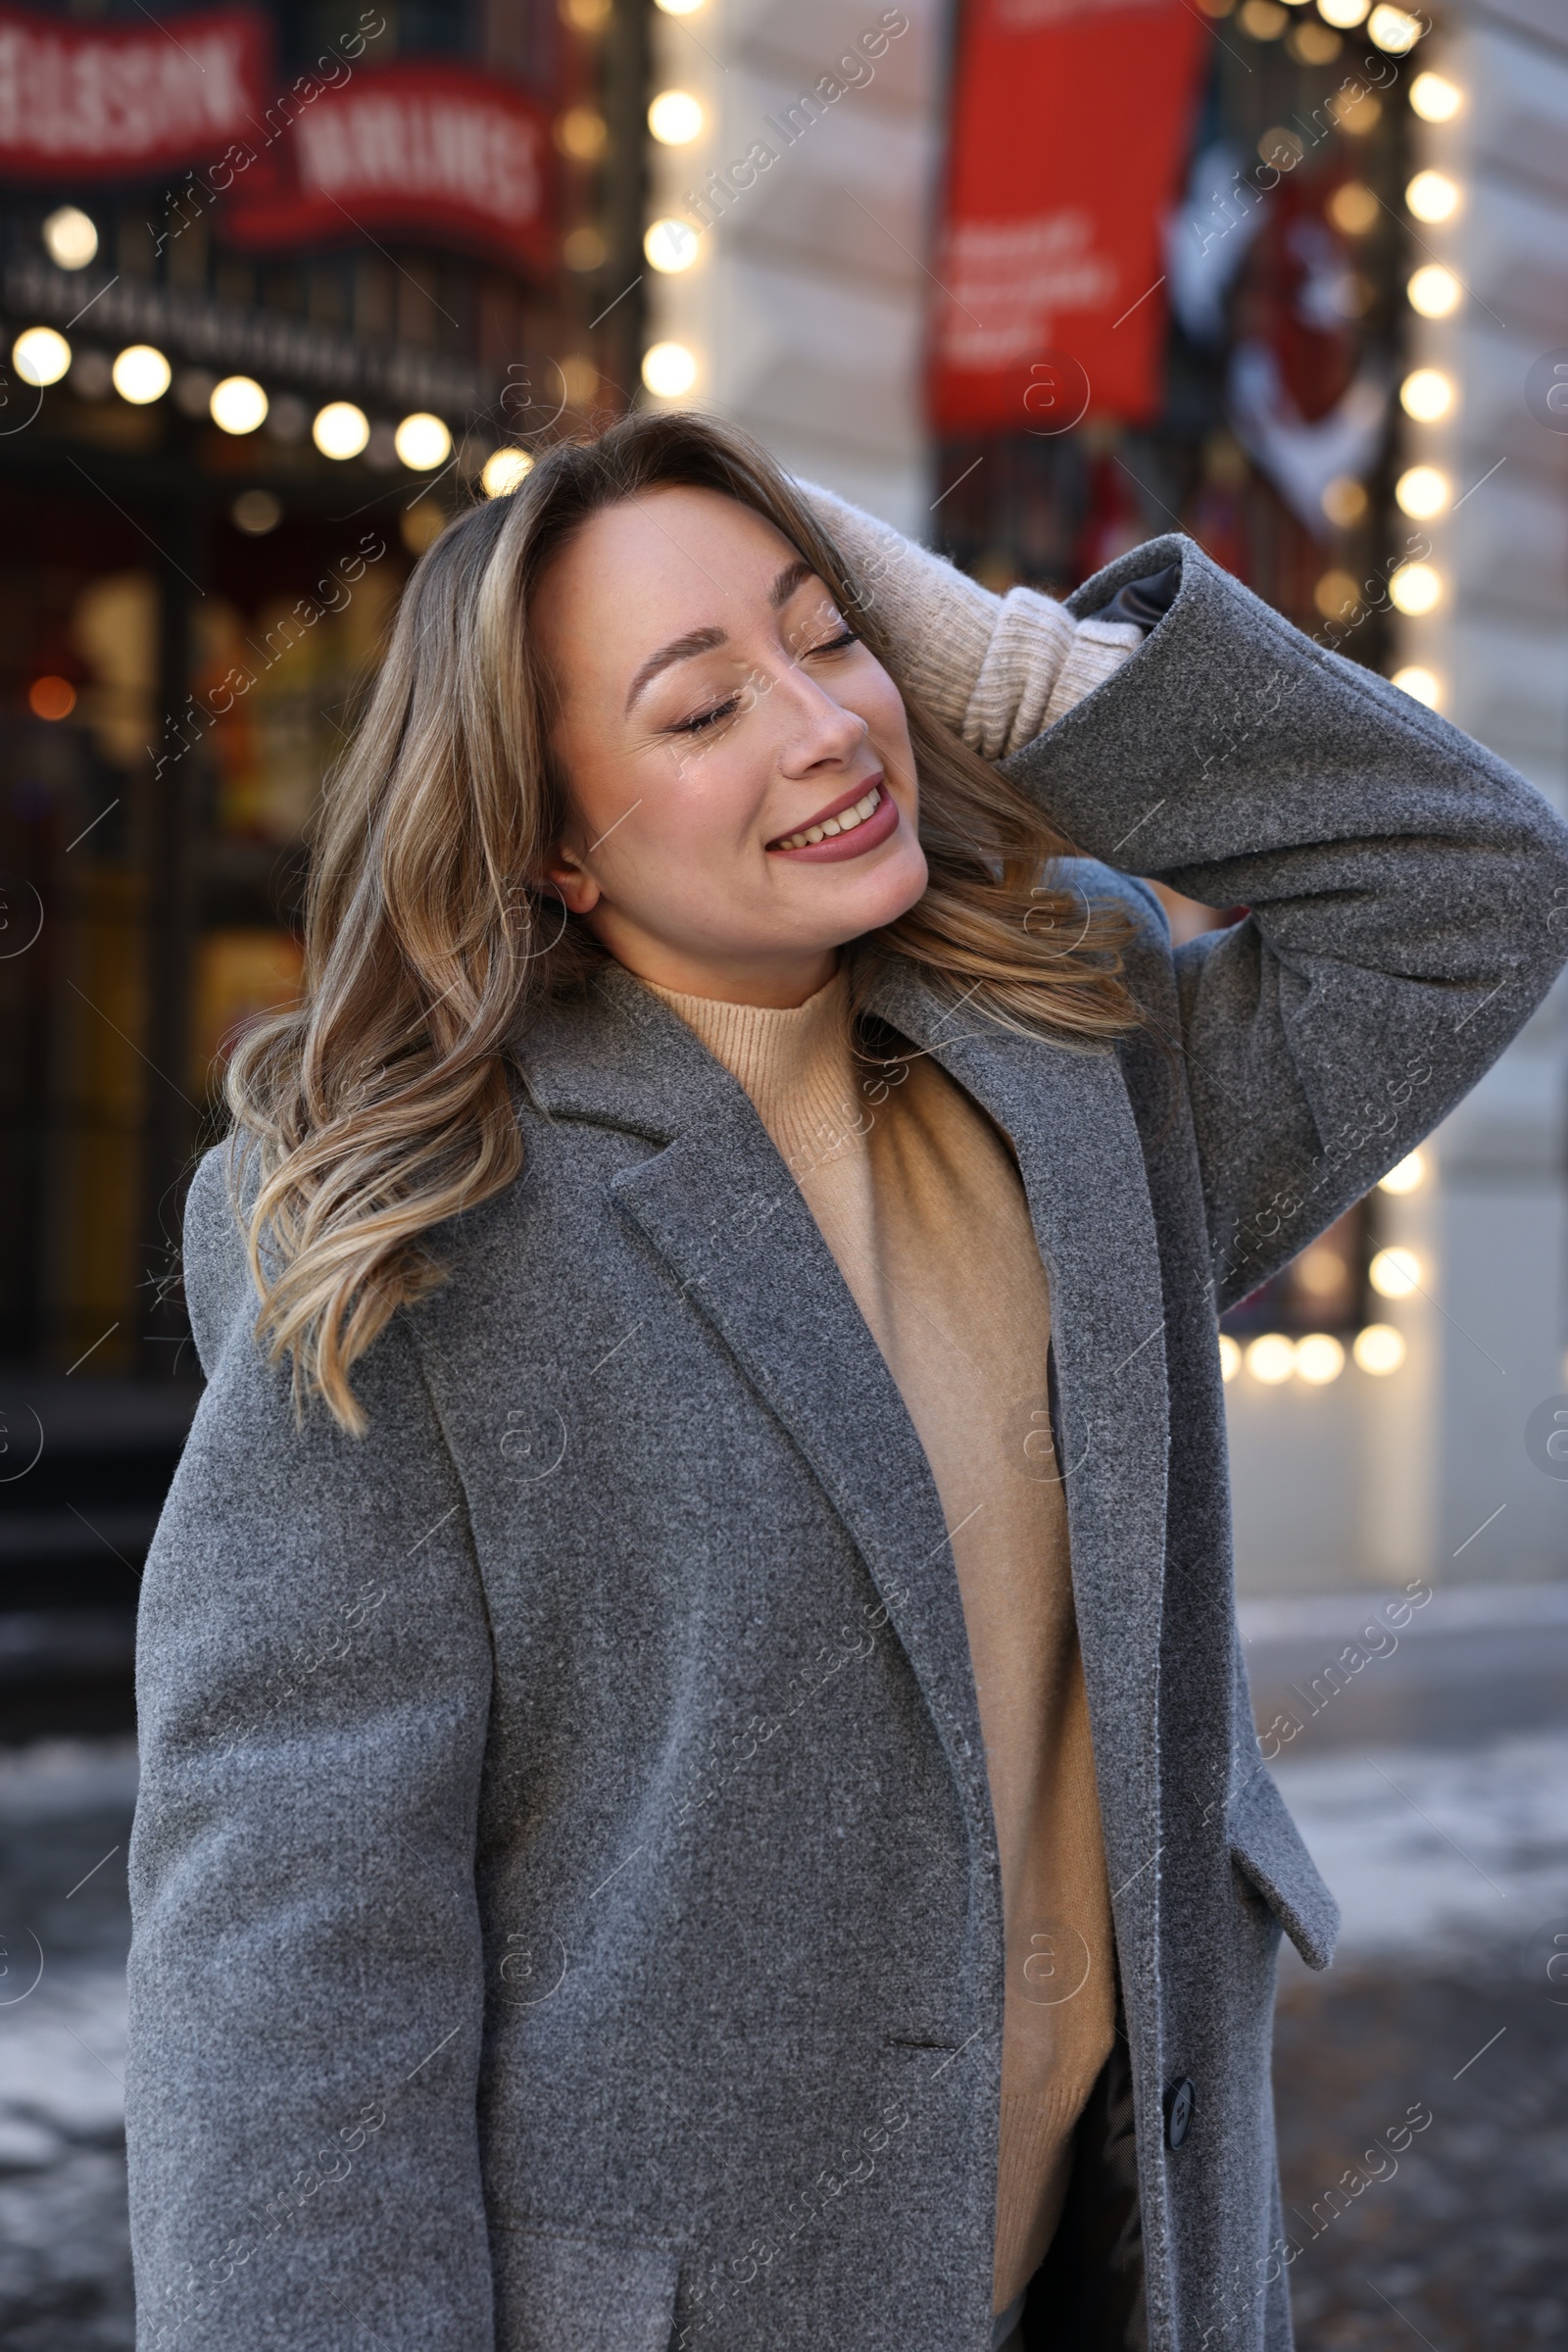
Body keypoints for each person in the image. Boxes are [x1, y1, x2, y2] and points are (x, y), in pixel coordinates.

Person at [124, 411, 1568, 2352]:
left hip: (1110, 2270)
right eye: (698, 707)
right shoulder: (415, 1233)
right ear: (552, 836)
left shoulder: (1078, 1053)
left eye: (829, 639)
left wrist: (994, 662)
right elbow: (291, 1980)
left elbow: (1468, 890)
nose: (820, 728)